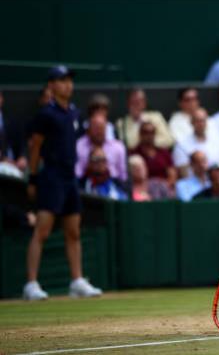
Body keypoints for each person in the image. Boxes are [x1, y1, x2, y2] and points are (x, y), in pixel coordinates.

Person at [24, 65, 102, 300]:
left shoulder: (74, 113)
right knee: (43, 230)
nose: (68, 84)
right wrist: (33, 178)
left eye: (69, 80)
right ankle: (31, 284)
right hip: (51, 177)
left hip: (70, 178)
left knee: (73, 232)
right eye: (62, 80)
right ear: (51, 85)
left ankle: (77, 281)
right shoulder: (45, 114)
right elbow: (35, 146)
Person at [172, 108, 219, 178]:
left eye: (203, 120)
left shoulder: (218, 140)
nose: (201, 124)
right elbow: (184, 172)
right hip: (196, 186)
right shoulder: (181, 145)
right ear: (191, 122)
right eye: (197, 121)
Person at [76, 113, 127, 181]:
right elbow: (77, 173)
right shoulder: (79, 145)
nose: (99, 132)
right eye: (96, 128)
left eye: (101, 128)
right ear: (89, 129)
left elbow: (123, 176)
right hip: (85, 185)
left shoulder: (118, 147)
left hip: (112, 185)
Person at [0, 90, 27, 172]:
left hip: (13, 168)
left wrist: (22, 157)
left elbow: (21, 143)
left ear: (1, 99)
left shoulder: (12, 121)